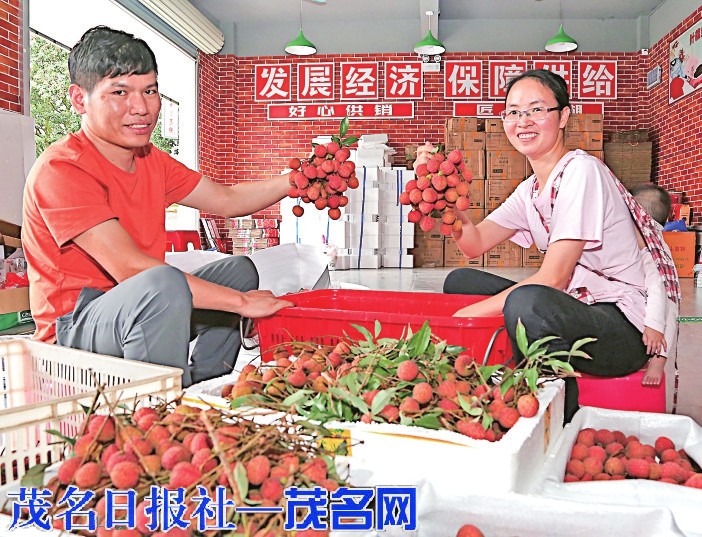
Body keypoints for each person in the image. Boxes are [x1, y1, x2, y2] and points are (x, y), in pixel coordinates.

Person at [22, 26, 294, 387]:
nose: (142, 108)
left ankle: (202, 384)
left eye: (149, 91)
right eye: (120, 92)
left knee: (237, 270)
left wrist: (294, 182)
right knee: (160, 283)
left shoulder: (151, 160)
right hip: (74, 330)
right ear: (79, 99)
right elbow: (131, 269)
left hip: (143, 305)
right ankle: (161, 403)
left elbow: (228, 200)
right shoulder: (62, 168)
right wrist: (243, 303)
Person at [434, 69, 681, 421]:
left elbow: (554, 278)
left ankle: (561, 412)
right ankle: (508, 365)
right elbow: (474, 244)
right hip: (578, 302)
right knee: (461, 282)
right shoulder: (530, 190)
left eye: (536, 110)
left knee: (528, 301)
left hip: (624, 326)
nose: (523, 121)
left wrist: (465, 316)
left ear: (563, 116)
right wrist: (446, 199)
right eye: (514, 112)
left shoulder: (582, 172)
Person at [630, 184, 679, 386]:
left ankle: (658, 361)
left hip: (658, 304)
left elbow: (657, 286)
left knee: (668, 312)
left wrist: (654, 325)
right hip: (654, 296)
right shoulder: (654, 238)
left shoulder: (649, 250)